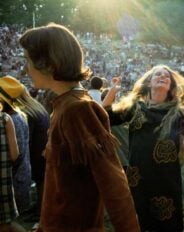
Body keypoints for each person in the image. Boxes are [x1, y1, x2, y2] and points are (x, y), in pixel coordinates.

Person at [19, 23, 139, 232]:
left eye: (28, 60)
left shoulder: (78, 109)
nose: (25, 68)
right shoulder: (65, 103)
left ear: (48, 63)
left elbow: (113, 184)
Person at [103, 64, 184, 231]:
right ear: (149, 82)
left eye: (167, 76)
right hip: (137, 181)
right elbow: (104, 117)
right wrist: (113, 90)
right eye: (158, 74)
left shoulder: (178, 113)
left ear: (170, 86)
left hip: (166, 184)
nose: (163, 76)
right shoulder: (134, 107)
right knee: (137, 224)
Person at [0, 76, 50, 219]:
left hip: (36, 154)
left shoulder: (22, 114)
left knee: (41, 182)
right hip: (39, 152)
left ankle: (39, 212)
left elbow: (21, 144)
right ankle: (37, 209)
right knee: (41, 182)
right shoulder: (34, 107)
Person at [0, 77, 31, 214]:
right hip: (21, 176)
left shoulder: (11, 120)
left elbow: (16, 156)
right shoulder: (18, 116)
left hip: (15, 179)